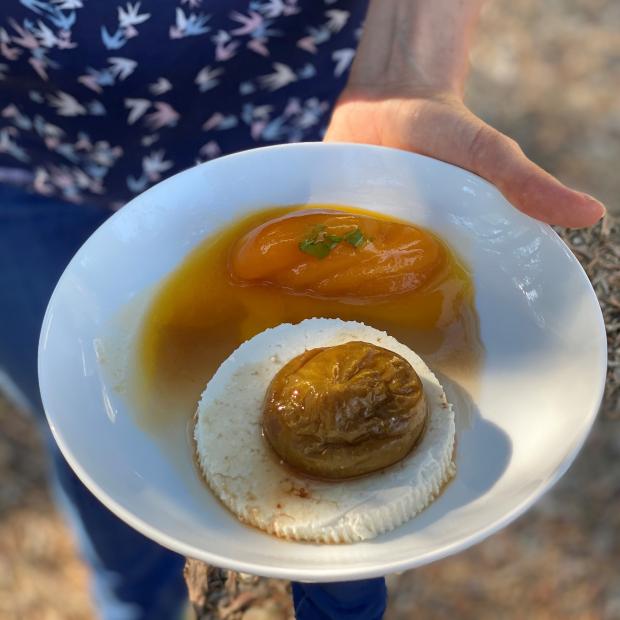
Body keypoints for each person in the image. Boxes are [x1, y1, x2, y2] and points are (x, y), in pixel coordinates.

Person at [0, 0, 605, 618]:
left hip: (313, 129)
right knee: (92, 447)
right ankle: (134, 601)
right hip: (30, 162)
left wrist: (405, 69)